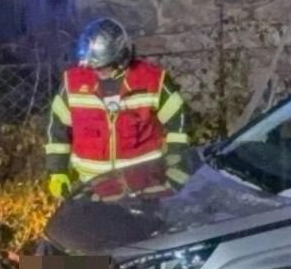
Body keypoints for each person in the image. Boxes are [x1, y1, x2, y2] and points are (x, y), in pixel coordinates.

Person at [44, 17, 193, 201]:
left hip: (145, 186)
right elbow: (57, 130)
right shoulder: (73, 83)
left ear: (120, 58)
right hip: (91, 187)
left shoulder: (152, 81)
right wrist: (57, 171)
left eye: (102, 66)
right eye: (92, 66)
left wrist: (175, 168)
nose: (96, 71)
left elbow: (179, 123)